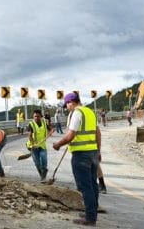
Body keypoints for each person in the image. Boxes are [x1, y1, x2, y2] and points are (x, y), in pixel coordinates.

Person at [53, 92, 101, 226]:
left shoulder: (76, 113)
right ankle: (91, 211)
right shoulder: (89, 112)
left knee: (85, 186)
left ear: (71, 102)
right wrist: (98, 150)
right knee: (92, 184)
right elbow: (98, 132)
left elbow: (70, 135)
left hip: (81, 155)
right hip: (92, 152)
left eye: (66, 104)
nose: (67, 107)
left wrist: (58, 144)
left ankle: (90, 218)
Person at [26, 109, 49, 181]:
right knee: (37, 162)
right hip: (33, 146)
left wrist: (51, 131)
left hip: (42, 145)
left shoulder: (45, 123)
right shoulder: (31, 124)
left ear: (41, 117)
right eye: (35, 116)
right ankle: (42, 176)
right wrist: (33, 144)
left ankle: (44, 171)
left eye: (37, 116)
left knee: (44, 158)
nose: (36, 118)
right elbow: (29, 135)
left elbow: (51, 129)